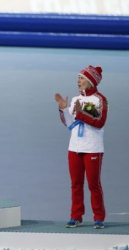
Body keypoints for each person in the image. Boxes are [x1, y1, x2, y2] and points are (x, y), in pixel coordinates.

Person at [55, 65, 108, 229]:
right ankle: (76, 216)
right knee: (76, 184)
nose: (78, 81)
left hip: (92, 148)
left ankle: (99, 217)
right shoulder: (76, 99)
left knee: (93, 184)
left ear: (91, 81)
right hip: (74, 147)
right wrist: (64, 108)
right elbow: (69, 124)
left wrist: (80, 112)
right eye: (78, 77)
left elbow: (99, 122)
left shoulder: (100, 100)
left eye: (82, 78)